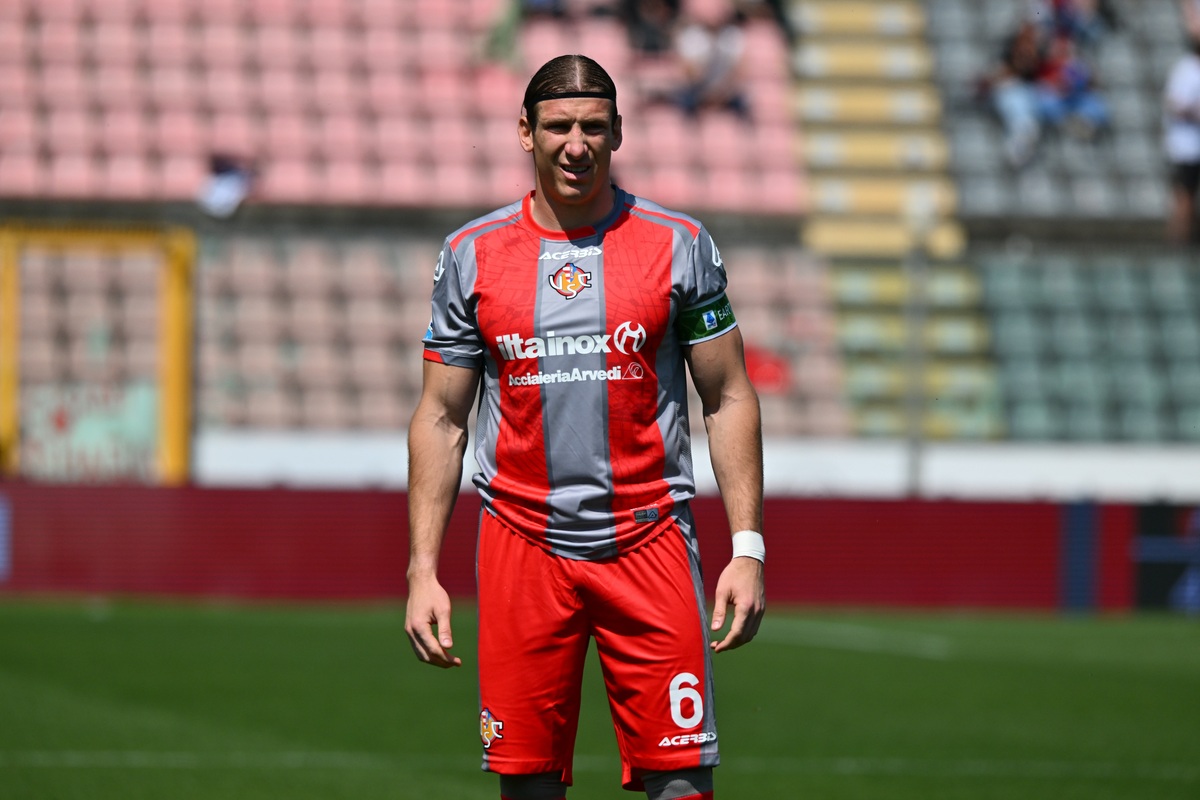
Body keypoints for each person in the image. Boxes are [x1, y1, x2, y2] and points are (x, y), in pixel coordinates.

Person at [404, 54, 766, 800]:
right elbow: (441, 419)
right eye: (560, 126)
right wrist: (422, 570)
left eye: (594, 127)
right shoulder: (471, 256)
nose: (577, 143)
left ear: (619, 133)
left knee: (683, 785)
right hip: (521, 544)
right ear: (525, 133)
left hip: (652, 539)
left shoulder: (679, 244)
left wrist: (748, 548)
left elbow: (727, 395)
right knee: (528, 787)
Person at [1164, 37, 1200, 244]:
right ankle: (1178, 241)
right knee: (1184, 196)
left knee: (1190, 196)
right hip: (1186, 146)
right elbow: (1172, 103)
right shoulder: (1186, 69)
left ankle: (1188, 239)